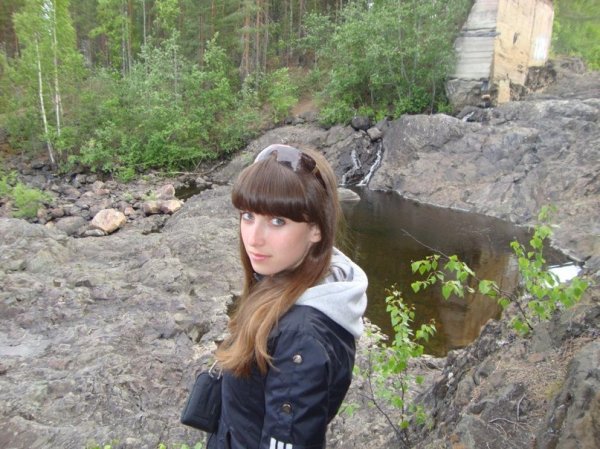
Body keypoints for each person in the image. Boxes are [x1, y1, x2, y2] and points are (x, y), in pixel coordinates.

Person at [208, 144, 368, 449]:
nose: (254, 238)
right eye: (248, 216)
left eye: (278, 221)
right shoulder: (284, 280)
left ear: (316, 230)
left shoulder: (301, 338)